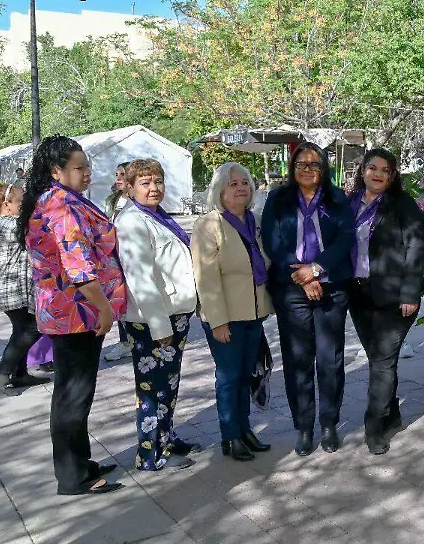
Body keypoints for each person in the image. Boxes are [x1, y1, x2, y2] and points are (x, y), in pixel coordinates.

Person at [19, 136, 127, 495]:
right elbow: (79, 270)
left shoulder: (55, 200)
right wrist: (105, 308)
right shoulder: (62, 207)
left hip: (69, 311)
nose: (87, 174)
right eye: (79, 168)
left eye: (87, 167)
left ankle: (80, 462)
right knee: (73, 394)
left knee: (74, 393)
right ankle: (73, 476)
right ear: (56, 171)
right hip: (77, 313)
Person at [261, 142, 355, 457]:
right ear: (292, 166)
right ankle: (304, 427)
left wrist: (316, 270)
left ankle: (329, 424)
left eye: (315, 165)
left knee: (330, 359)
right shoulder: (277, 199)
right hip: (291, 289)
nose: (307, 169)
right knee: (298, 358)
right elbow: (273, 242)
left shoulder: (337, 198)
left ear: (324, 169)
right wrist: (302, 278)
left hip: (332, 286)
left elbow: (345, 238)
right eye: (301, 163)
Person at [113, 159, 201, 471]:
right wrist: (158, 324)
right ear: (129, 187)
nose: (154, 188)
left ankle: (165, 436)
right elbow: (140, 277)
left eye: (158, 181)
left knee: (169, 384)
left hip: (173, 312)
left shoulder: (156, 215)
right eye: (145, 183)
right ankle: (149, 455)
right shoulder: (133, 221)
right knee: (152, 388)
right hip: (153, 319)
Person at [192, 162, 273, 463]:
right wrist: (218, 321)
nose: (241, 188)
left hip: (254, 314)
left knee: (245, 375)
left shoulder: (255, 221)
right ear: (220, 190)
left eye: (244, 183)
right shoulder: (208, 225)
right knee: (229, 378)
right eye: (232, 183)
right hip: (225, 317)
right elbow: (206, 277)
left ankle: (245, 428)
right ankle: (230, 436)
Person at [347, 149, 424, 455]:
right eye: (372, 168)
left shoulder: (402, 205)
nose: (378, 174)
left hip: (394, 298)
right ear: (362, 171)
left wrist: (410, 293)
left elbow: (415, 247)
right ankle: (391, 413)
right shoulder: (349, 204)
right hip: (358, 295)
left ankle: (374, 426)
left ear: (393, 176)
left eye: (385, 170)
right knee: (380, 360)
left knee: (382, 362)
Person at [0, 181, 49, 396]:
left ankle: (20, 374)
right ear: (6, 204)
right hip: (10, 288)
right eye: (22, 202)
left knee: (22, 329)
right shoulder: (5, 224)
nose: (26, 206)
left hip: (12, 288)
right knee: (32, 328)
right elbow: (37, 227)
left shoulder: (8, 222)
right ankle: (1, 373)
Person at [102, 161, 133, 363]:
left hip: (131, 255)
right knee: (120, 299)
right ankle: (125, 342)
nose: (118, 178)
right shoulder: (112, 200)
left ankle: (134, 339)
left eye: (123, 174)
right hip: (115, 256)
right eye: (117, 174)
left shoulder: (139, 200)